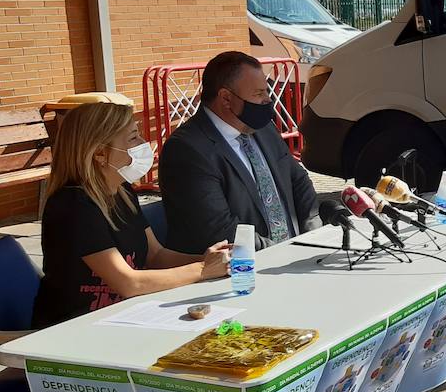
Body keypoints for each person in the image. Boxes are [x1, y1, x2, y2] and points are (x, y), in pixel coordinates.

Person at [33, 103, 229, 329]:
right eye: (133, 138)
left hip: (122, 316)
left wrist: (211, 260)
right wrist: (203, 270)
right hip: (75, 328)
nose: (143, 143)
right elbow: (127, 282)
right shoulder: (73, 206)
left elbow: (155, 256)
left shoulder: (122, 191)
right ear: (99, 153)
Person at [160, 51, 320, 254]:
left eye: (266, 92)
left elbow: (297, 180)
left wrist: (312, 232)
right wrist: (283, 253)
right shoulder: (187, 151)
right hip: (238, 272)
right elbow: (218, 230)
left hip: (293, 255)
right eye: (258, 94)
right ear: (226, 98)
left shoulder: (262, 128)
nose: (267, 100)